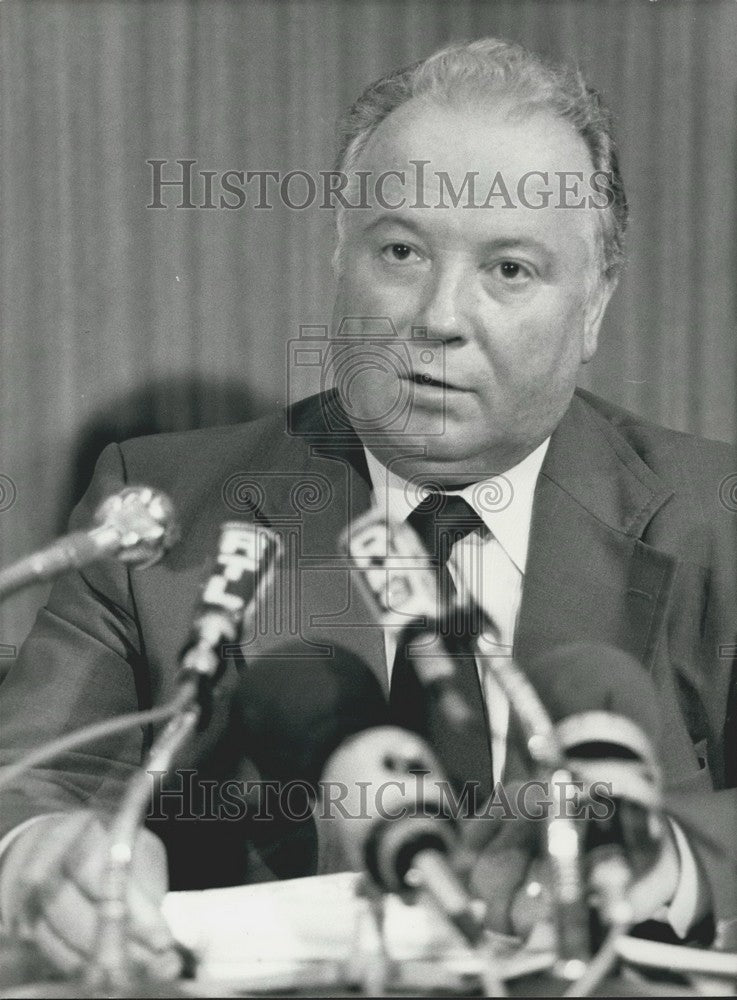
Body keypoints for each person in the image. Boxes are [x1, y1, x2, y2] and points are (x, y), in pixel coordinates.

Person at [0, 37, 734, 981]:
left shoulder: (712, 523)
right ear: (337, 260)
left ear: (593, 304)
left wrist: (668, 860)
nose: (436, 317)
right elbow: (33, 778)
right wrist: (48, 859)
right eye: (399, 251)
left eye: (508, 270)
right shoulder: (166, 515)